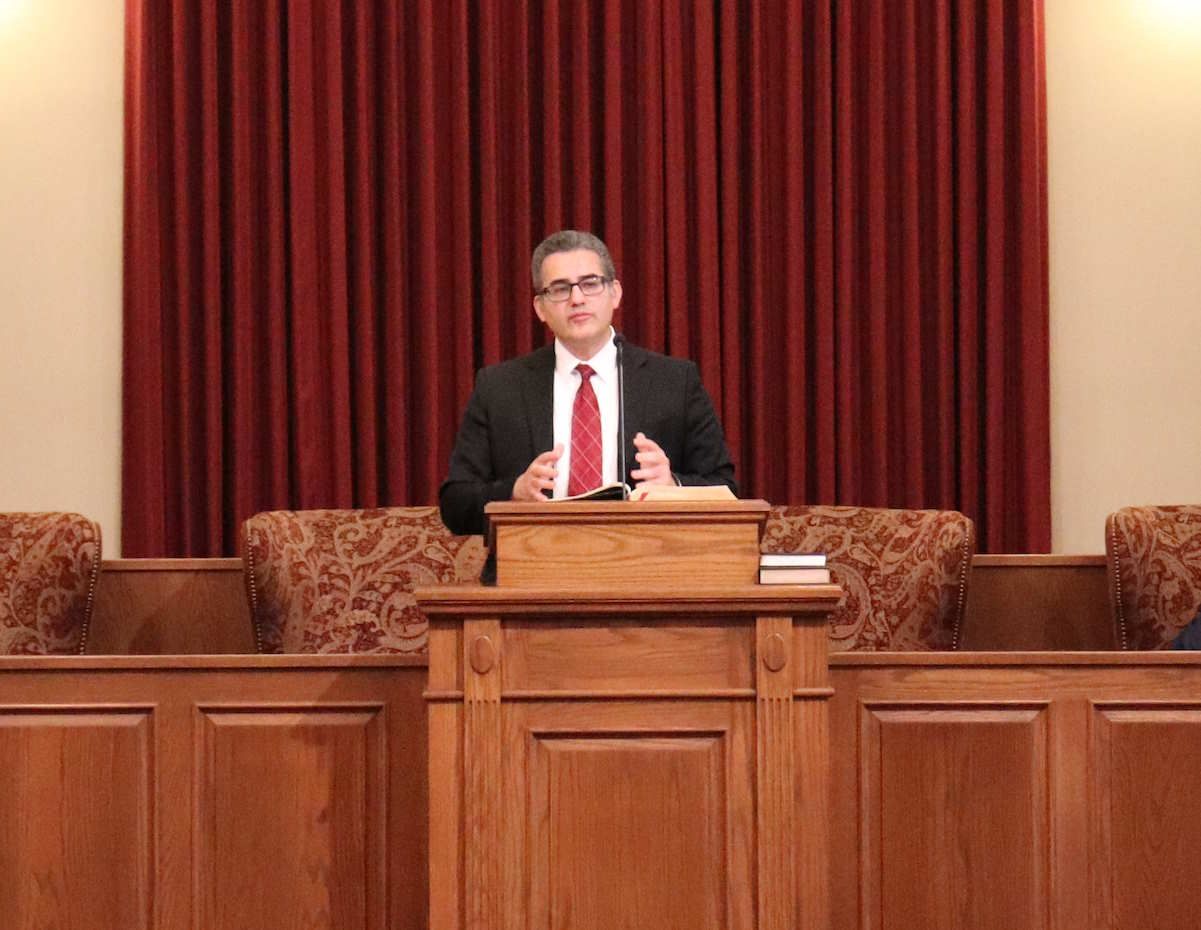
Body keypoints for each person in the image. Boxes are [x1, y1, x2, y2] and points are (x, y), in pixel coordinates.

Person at [439, 229, 736, 537]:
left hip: (646, 570)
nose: (577, 299)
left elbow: (726, 488)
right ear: (540, 308)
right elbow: (455, 504)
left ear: (615, 293)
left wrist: (672, 486)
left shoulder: (674, 382)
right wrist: (513, 492)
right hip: (533, 571)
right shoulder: (499, 388)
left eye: (590, 284)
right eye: (560, 288)